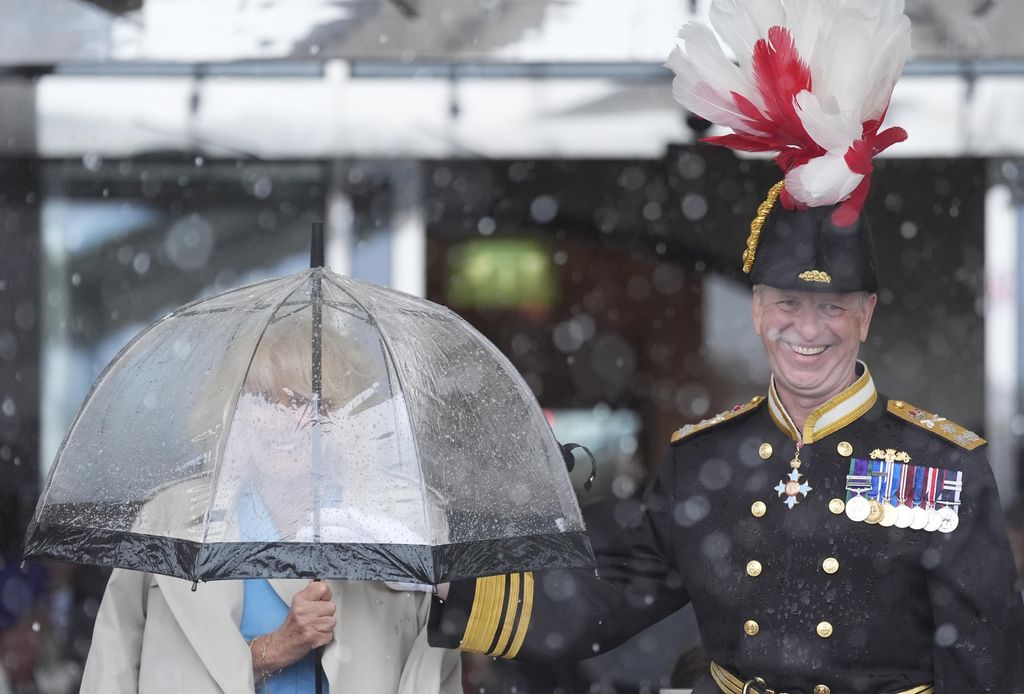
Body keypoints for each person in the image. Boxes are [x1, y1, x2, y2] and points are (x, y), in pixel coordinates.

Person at [428, 2, 1024, 692]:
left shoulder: (943, 465)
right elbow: (607, 596)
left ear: (866, 315)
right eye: (789, 305)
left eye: (832, 307)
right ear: (761, 312)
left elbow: (985, 666)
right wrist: (445, 588)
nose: (809, 328)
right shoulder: (704, 460)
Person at [80, 325, 460, 694]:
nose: (281, 422)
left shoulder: (403, 523)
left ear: (342, 416)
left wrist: (432, 573)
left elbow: (433, 672)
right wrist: (272, 651)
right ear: (235, 409)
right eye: (261, 398)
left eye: (301, 400)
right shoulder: (169, 519)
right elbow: (112, 665)